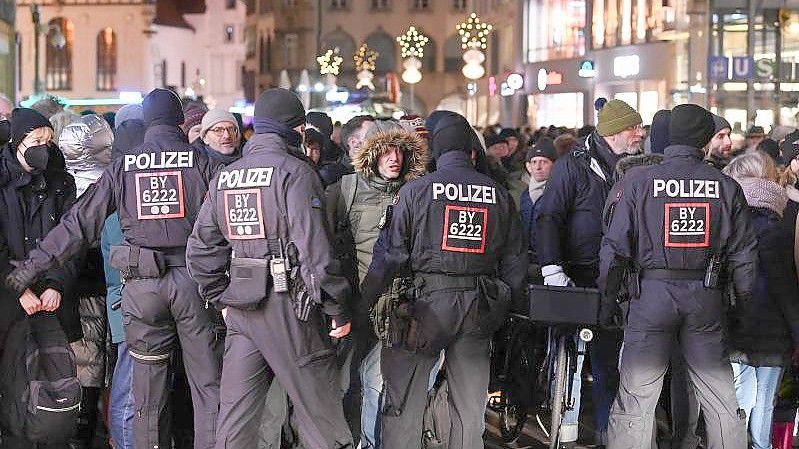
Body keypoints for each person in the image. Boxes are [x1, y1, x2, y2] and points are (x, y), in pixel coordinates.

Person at [5, 89, 224, 449]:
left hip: (142, 289)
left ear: (147, 122)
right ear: (180, 121)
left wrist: (31, 267)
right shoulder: (201, 162)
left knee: (146, 395)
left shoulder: (125, 166)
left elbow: (79, 224)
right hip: (192, 286)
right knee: (207, 388)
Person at [185, 88, 353, 449]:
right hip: (291, 308)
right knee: (321, 417)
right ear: (295, 128)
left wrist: (221, 301)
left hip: (243, 306)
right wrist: (337, 308)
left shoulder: (227, 175)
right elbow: (316, 250)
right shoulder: (295, 172)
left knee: (236, 421)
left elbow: (200, 250)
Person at [360, 112, 527, 449]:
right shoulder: (497, 193)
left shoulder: (415, 191)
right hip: (479, 305)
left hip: (423, 307)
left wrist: (363, 300)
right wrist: (512, 306)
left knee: (405, 401)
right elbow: (515, 260)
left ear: (434, 150)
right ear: (473, 153)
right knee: (468, 408)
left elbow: (391, 256)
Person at [599, 103, 753, 449]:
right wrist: (741, 308)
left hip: (649, 298)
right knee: (720, 401)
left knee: (637, 398)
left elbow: (614, 249)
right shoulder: (725, 187)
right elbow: (744, 257)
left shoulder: (637, 183)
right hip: (705, 299)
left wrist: (608, 300)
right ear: (703, 139)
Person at [536, 98, 643, 447]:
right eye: (633, 128)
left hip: (622, 276)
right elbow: (549, 216)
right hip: (579, 275)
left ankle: (605, 431)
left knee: (608, 359)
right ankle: (564, 422)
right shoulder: (574, 166)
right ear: (613, 133)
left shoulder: (639, 166)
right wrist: (552, 267)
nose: (640, 134)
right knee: (576, 354)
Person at [326, 120, 427, 448]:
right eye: (385, 150)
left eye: (400, 150)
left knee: (379, 383)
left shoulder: (416, 191)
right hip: (354, 304)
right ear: (371, 154)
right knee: (341, 383)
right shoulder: (345, 189)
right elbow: (322, 245)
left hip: (397, 305)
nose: (394, 157)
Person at [0, 107, 81, 448]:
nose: (44, 148)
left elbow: (73, 235)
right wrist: (17, 286)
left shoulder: (60, 182)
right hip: (8, 297)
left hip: (50, 297)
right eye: (36, 141)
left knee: (49, 379)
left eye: (49, 141)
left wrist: (56, 283)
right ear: (17, 143)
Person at [721, 152, 799, 449]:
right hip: (772, 333)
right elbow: (785, 288)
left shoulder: (725, 225)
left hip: (733, 326)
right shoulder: (774, 227)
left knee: (742, 398)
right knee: (765, 401)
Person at [59, 114, 114, 449]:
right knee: (102, 363)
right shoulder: (112, 179)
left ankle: (82, 432)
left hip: (76, 287)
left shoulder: (62, 183)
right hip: (103, 283)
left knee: (86, 364)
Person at [104, 116, 146, 449]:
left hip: (127, 298)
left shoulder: (116, 184)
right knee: (130, 389)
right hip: (129, 299)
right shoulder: (125, 191)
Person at [520, 137, 556, 284]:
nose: (538, 167)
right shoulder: (524, 195)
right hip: (524, 262)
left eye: (544, 162)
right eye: (534, 162)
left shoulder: (557, 194)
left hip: (549, 264)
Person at [319, 115, 375, 187]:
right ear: (353, 142)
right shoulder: (331, 177)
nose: (379, 140)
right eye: (372, 134)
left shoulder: (385, 172)